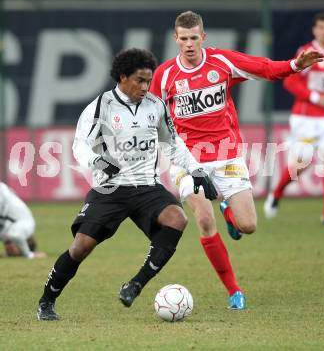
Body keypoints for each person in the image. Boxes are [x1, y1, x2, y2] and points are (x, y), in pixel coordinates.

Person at [149, 10, 323, 310]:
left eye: (194, 38)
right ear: (175, 39)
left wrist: (295, 65)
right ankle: (234, 291)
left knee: (249, 226)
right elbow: (151, 115)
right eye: (183, 38)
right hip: (187, 158)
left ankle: (229, 209)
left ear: (203, 37)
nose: (189, 44)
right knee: (203, 219)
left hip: (226, 153)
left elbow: (264, 68)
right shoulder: (165, 75)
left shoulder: (222, 62)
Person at [36, 48, 217, 321]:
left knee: (177, 219)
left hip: (146, 185)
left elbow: (172, 143)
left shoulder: (156, 106)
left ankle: (135, 285)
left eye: (148, 81)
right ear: (122, 77)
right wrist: (98, 162)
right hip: (110, 188)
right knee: (81, 246)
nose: (145, 87)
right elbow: (80, 145)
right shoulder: (101, 106)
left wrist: (197, 170)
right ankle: (47, 301)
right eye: (140, 80)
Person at [264, 13, 324, 225]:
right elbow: (290, 83)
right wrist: (315, 96)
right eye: (321, 27)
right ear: (314, 30)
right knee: (302, 163)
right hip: (305, 117)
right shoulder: (307, 53)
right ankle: (277, 192)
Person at [0, 182, 46, 259]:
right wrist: (28, 254)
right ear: (23, 244)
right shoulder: (28, 225)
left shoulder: (8, 228)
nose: (8, 247)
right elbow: (16, 236)